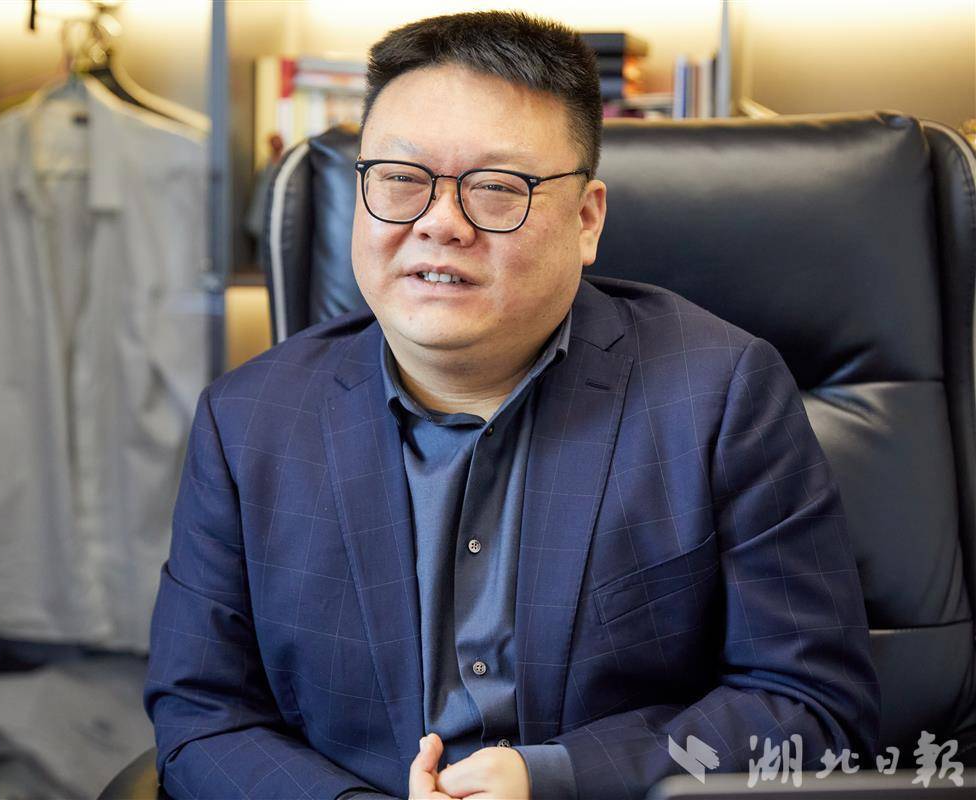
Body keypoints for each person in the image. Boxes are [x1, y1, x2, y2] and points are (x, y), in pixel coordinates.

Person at [145, 11, 879, 799]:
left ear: (586, 219)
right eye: (400, 178)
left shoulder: (722, 396)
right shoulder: (248, 421)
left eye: (497, 188)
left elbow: (815, 707)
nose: (440, 223)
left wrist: (557, 778)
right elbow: (201, 716)